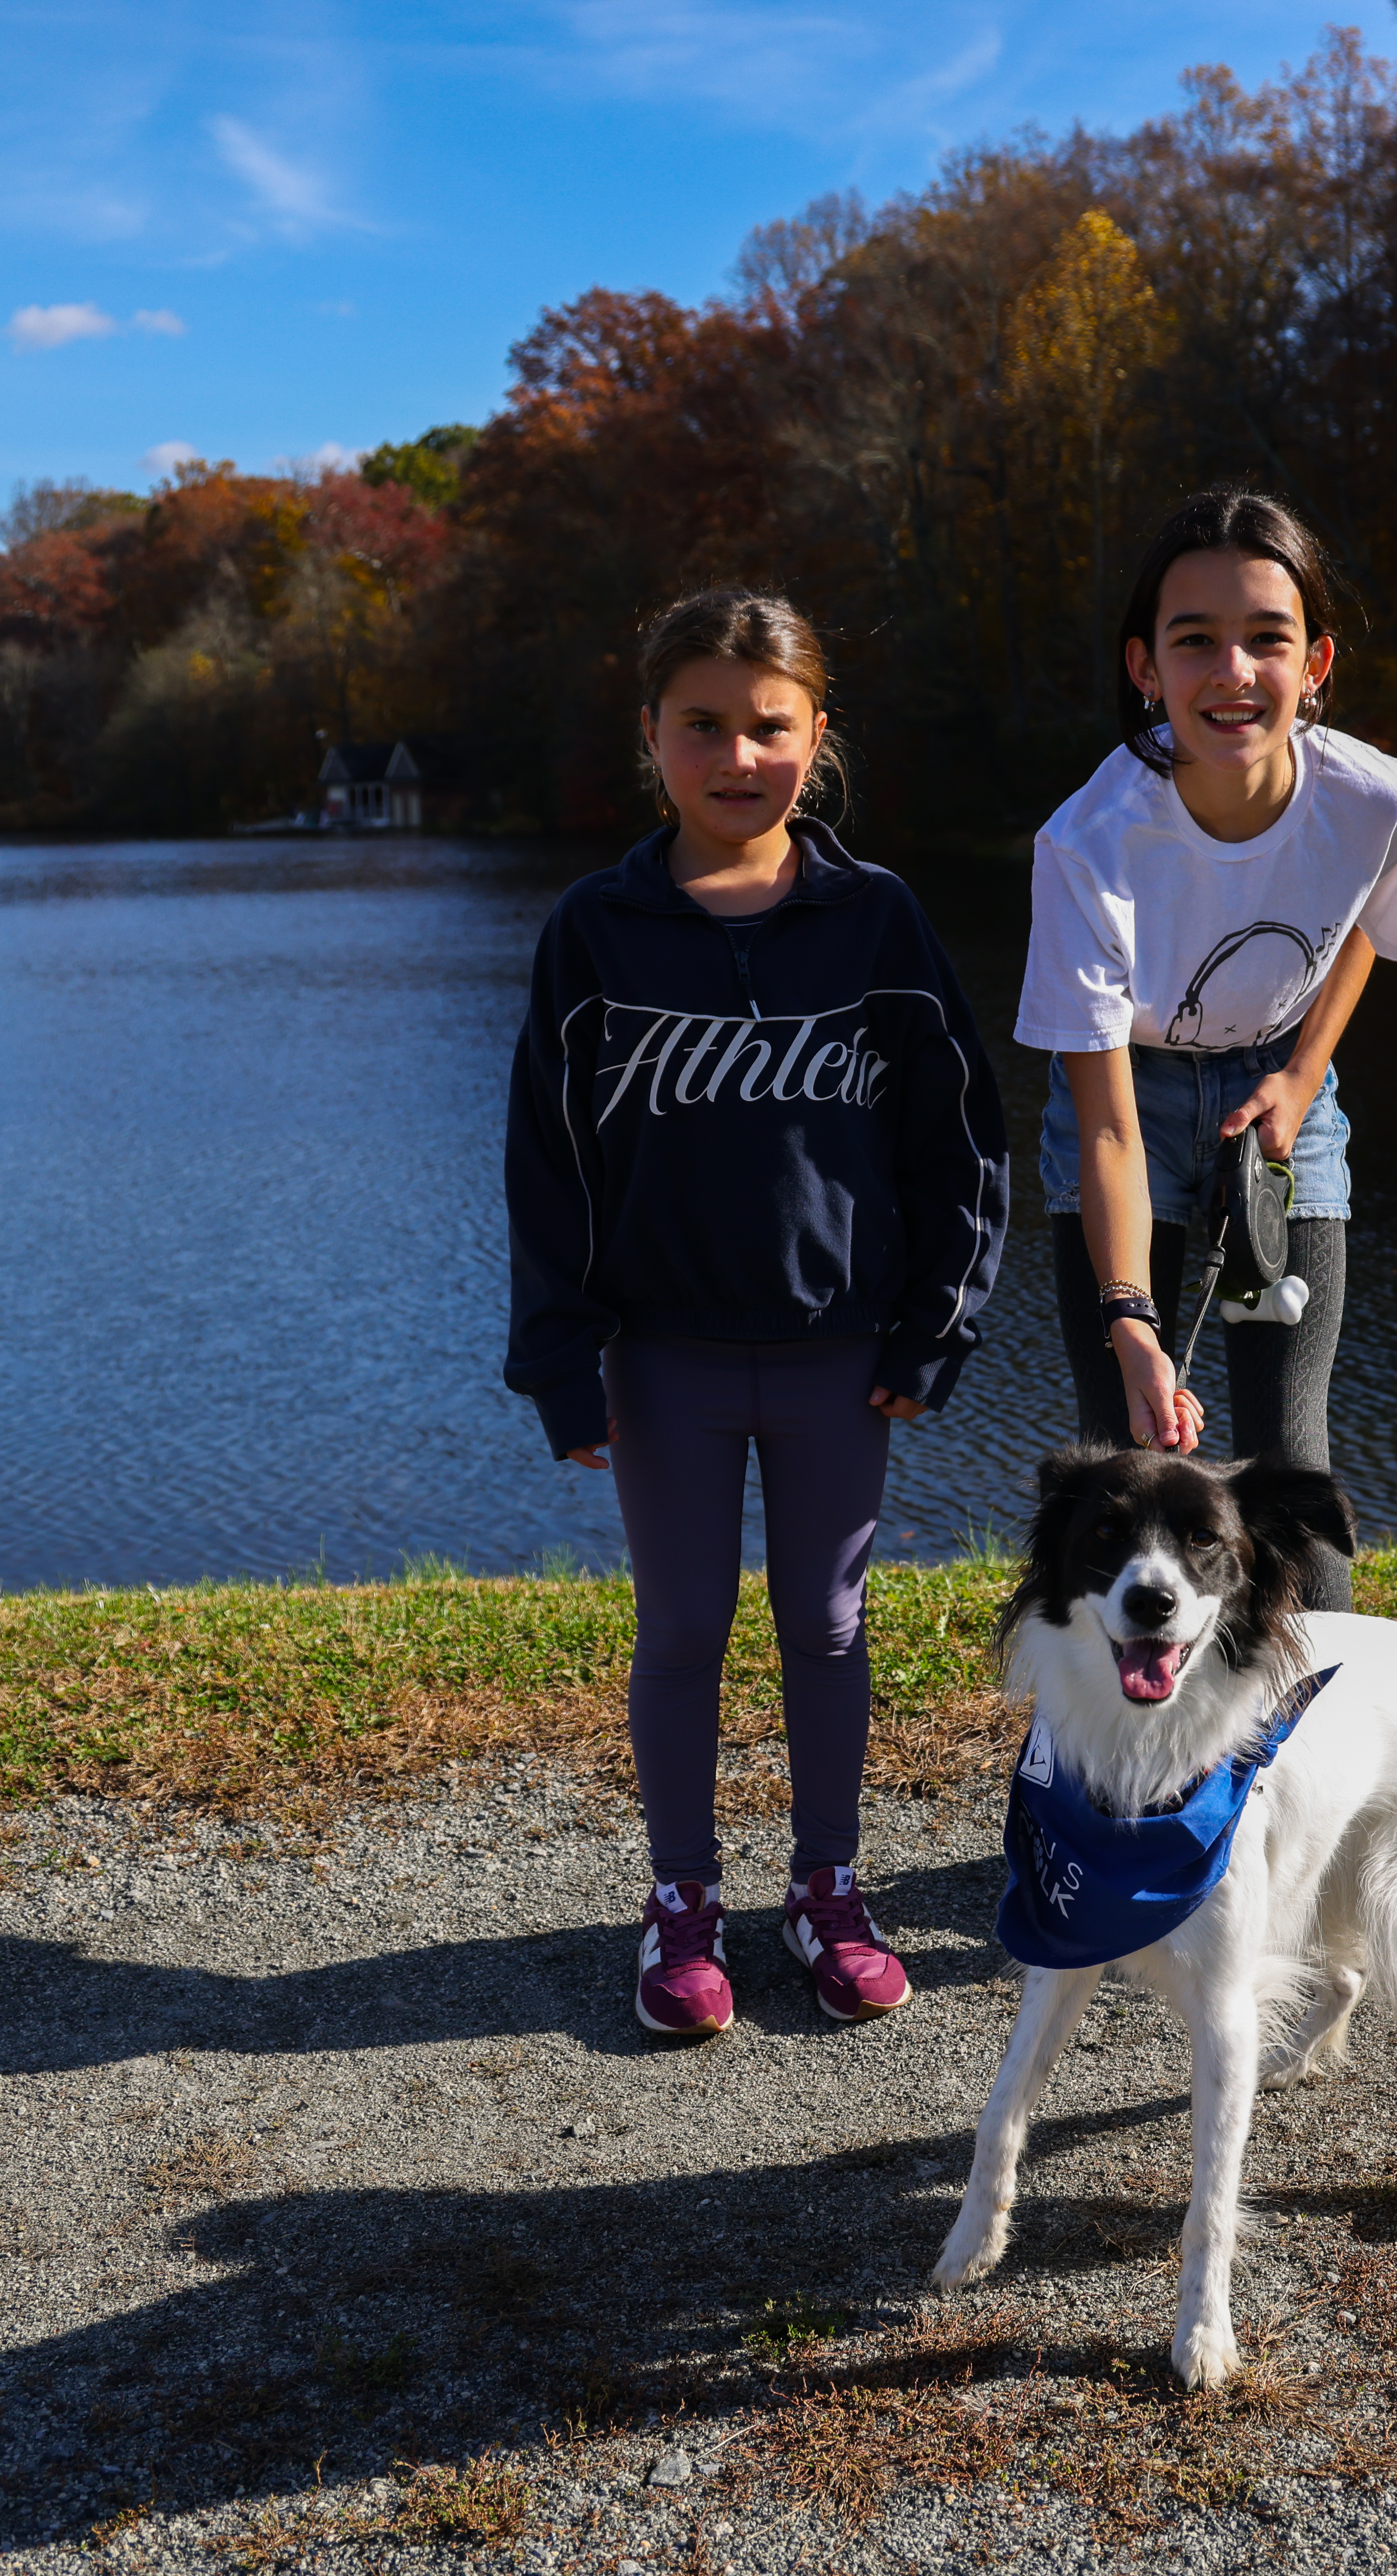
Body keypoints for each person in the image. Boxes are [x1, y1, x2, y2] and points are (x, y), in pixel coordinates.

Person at [502, 588, 1011, 2037]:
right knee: (683, 1630)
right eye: (704, 726)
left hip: (842, 1358)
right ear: (651, 736)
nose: (739, 756)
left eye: (769, 727)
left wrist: (935, 1328)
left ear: (818, 736)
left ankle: (827, 1891)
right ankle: (681, 1909)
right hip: (659, 1359)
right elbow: (544, 1161)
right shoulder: (597, 931)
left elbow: (958, 1141)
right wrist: (560, 1357)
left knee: (829, 1625)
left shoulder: (880, 921)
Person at [1013, 489, 1397, 1613]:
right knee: (1123, 1455)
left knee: (1289, 1461)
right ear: (1145, 665)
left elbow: (1364, 935)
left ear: (1317, 661)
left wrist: (1299, 1076)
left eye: (1266, 639)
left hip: (1283, 1094)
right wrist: (1131, 1319)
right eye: (1194, 641)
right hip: (1128, 1108)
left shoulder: (1379, 801)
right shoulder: (1088, 842)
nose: (1232, 671)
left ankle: (1322, 1733)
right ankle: (1127, 1758)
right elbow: (1102, 1124)